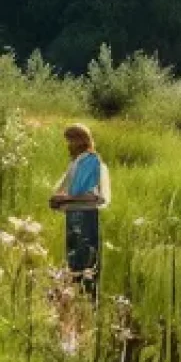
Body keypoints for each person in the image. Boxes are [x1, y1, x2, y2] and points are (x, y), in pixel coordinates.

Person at [49, 124, 111, 295]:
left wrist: (66, 199)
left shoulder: (91, 161)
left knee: (85, 264)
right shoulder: (78, 162)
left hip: (85, 217)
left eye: (70, 141)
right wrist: (58, 200)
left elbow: (95, 197)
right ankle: (74, 302)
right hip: (74, 216)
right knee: (73, 262)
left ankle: (87, 304)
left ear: (79, 141)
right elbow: (70, 190)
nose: (68, 145)